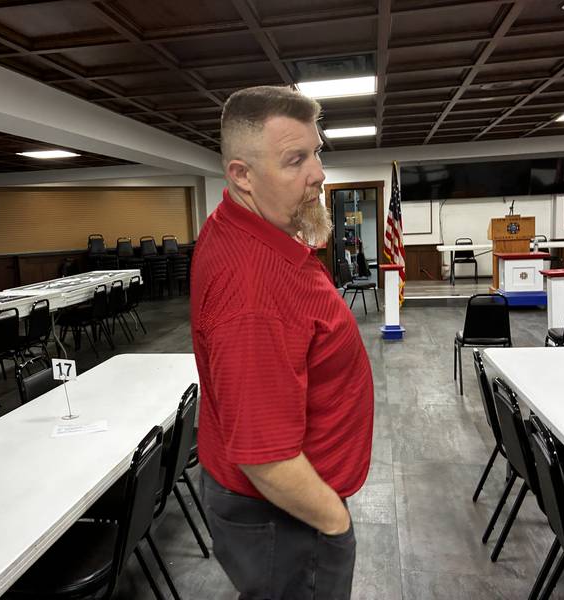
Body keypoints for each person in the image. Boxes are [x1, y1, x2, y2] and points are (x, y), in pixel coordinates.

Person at [190, 85, 374, 599]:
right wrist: (334, 522)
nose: (317, 174)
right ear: (242, 176)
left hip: (283, 506)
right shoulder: (253, 292)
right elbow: (264, 457)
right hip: (287, 516)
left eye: (316, 151)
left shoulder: (242, 223)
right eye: (295, 160)